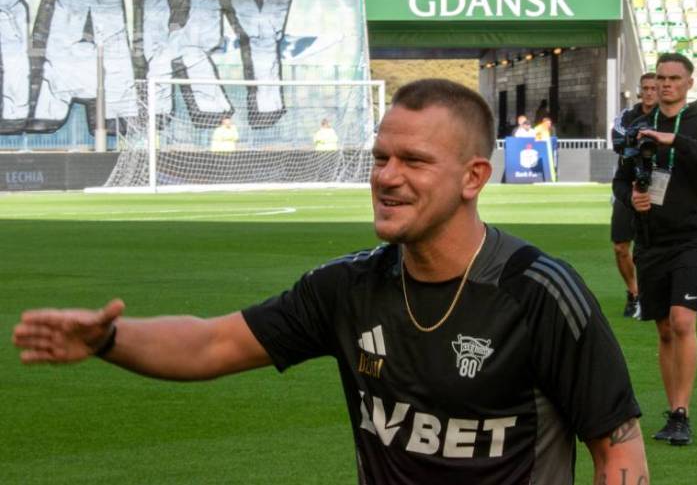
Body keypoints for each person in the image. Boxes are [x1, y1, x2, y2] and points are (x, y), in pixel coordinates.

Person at [14, 79, 648, 484]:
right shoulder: (346, 288)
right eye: (381, 158)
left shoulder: (539, 293)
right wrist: (108, 339)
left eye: (414, 161)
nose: (387, 176)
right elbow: (213, 343)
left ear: (473, 177)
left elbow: (618, 451)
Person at [613, 53, 697, 446]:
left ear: (689, 83)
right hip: (651, 241)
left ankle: (681, 413)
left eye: (674, 78)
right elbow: (621, 179)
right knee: (664, 329)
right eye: (661, 78)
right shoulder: (640, 127)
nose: (666, 84)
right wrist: (631, 198)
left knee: (682, 321)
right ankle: (672, 412)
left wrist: (676, 140)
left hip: (693, 238)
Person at [610, 72, 658, 318]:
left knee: (653, 245)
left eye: (653, 88)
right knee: (620, 245)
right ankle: (633, 292)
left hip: (658, 187)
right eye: (645, 88)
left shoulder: (666, 117)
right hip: (628, 185)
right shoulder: (627, 116)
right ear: (640, 90)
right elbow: (618, 141)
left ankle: (653, 294)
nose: (649, 92)